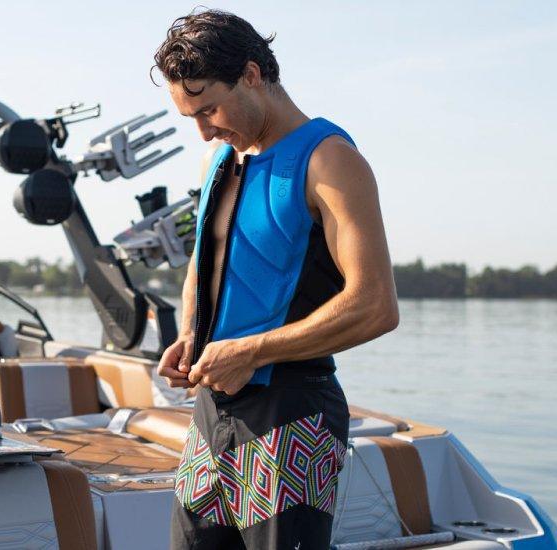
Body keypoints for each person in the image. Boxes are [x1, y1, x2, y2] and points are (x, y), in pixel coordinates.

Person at [153, 10, 399, 549]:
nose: (203, 129)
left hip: (293, 416)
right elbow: (205, 261)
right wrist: (193, 337)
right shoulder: (216, 160)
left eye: (209, 108)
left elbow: (375, 305)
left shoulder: (331, 161)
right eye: (190, 116)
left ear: (251, 75)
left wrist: (253, 351)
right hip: (211, 413)